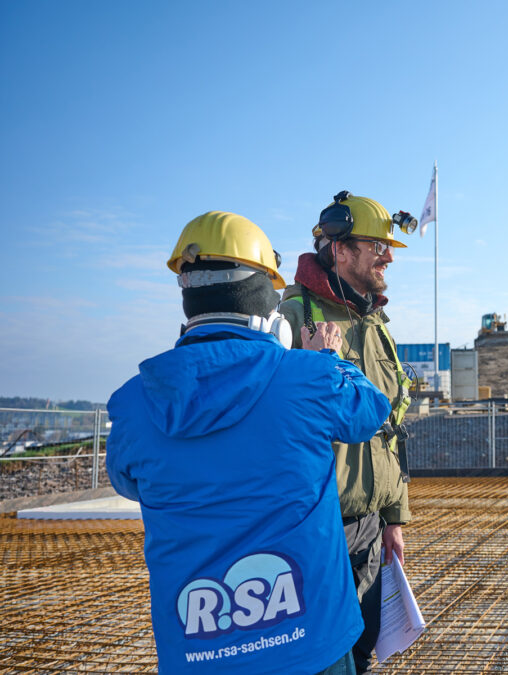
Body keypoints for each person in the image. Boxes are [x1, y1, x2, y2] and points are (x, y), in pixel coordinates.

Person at [106, 211, 391, 675]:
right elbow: (370, 409)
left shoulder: (136, 405)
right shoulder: (308, 378)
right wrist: (328, 359)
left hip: (199, 650)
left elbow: (127, 480)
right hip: (310, 642)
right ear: (263, 302)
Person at [278, 191, 414, 674]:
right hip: (317, 528)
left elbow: (391, 429)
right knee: (320, 657)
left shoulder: (374, 322)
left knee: (362, 647)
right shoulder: (294, 318)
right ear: (340, 250)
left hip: (370, 528)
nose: (389, 257)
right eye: (377, 247)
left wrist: (393, 516)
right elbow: (274, 425)